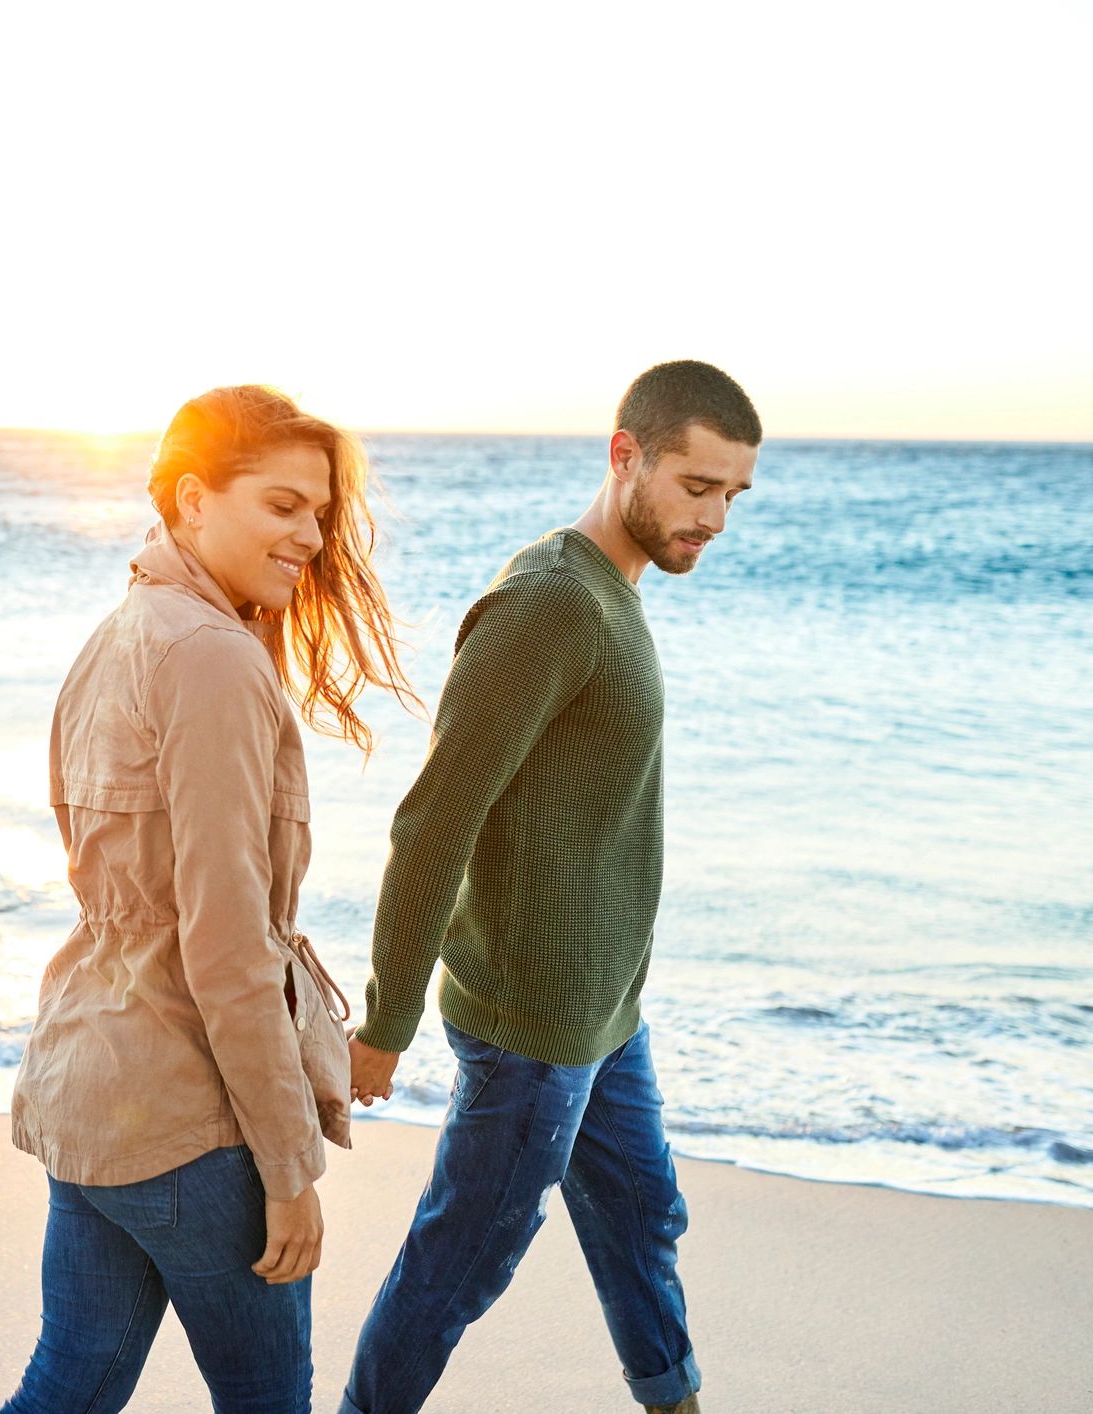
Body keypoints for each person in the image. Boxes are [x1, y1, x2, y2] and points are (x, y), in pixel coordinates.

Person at [338, 361, 763, 1414]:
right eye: (696, 487)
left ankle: (673, 1399)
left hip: (606, 1013)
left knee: (642, 1217)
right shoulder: (549, 603)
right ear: (626, 456)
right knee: (460, 1264)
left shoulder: (608, 592)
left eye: (732, 496)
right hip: (532, 1030)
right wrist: (385, 1018)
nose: (713, 518)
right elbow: (438, 816)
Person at [1, 385, 418, 1414]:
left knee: (71, 1385)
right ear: (193, 500)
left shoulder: (124, 629)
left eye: (320, 513)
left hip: (92, 1084)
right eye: (282, 507)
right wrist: (287, 1168)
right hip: (191, 1118)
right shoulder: (213, 659)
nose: (313, 538)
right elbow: (227, 945)